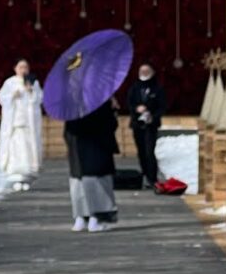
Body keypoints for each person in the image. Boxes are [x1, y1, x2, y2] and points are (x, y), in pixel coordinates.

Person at [65, 98, 120, 232]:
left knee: (78, 183)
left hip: (77, 147)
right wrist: (113, 110)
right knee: (97, 182)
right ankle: (95, 219)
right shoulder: (100, 100)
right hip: (96, 146)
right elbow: (110, 124)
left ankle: (80, 218)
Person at [0, 59, 43, 191]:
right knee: (16, 150)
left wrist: (31, 92)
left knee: (28, 149)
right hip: (15, 124)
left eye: (25, 67)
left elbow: (39, 98)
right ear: (15, 68)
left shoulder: (33, 82)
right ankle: (15, 177)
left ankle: (27, 176)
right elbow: (2, 97)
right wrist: (12, 95)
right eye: (21, 67)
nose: (23, 70)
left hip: (29, 124)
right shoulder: (10, 82)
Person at [126, 63, 167, 189]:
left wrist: (153, 117)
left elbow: (162, 106)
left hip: (151, 125)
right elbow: (129, 103)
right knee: (141, 152)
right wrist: (136, 109)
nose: (144, 73)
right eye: (141, 71)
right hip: (137, 124)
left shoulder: (157, 88)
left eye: (146, 71)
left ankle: (152, 178)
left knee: (149, 151)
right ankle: (144, 174)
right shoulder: (135, 88)